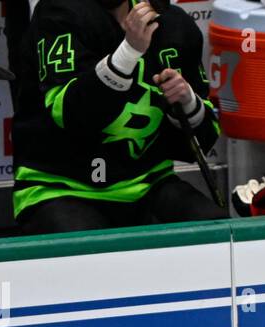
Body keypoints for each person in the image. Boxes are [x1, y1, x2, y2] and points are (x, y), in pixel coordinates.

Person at [12, 0, 222, 235]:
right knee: (91, 255)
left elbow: (204, 139)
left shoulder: (173, 24)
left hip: (148, 185)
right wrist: (127, 53)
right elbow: (71, 117)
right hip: (60, 188)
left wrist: (187, 103)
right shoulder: (58, 14)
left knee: (213, 233)